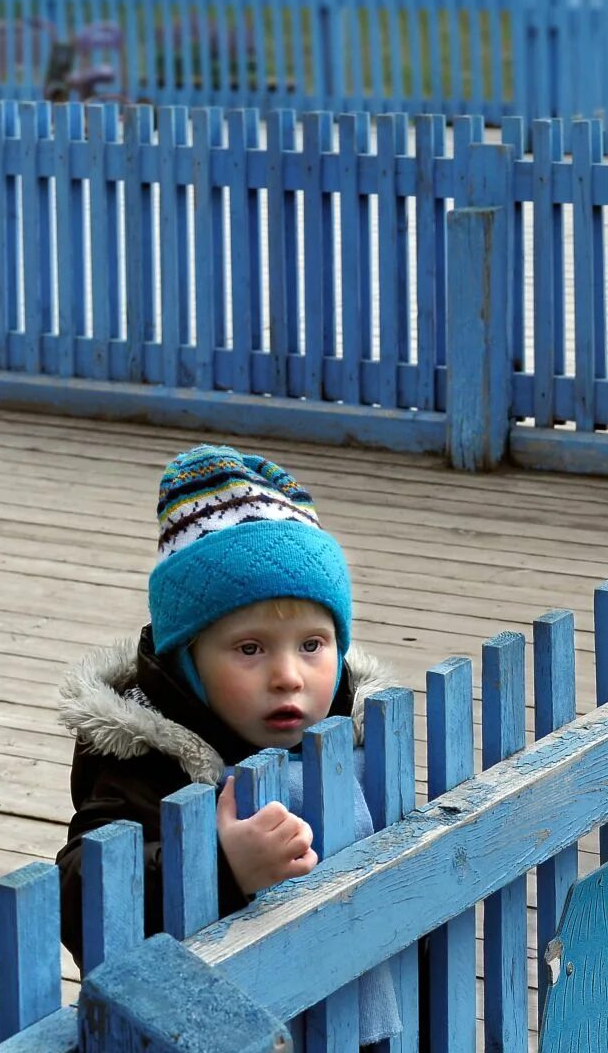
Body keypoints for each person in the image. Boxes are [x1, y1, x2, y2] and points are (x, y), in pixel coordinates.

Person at [55, 445, 399, 1043]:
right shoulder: (142, 756)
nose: (289, 675)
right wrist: (216, 864)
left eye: (313, 645)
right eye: (250, 648)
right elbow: (81, 892)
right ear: (186, 661)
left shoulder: (357, 739)